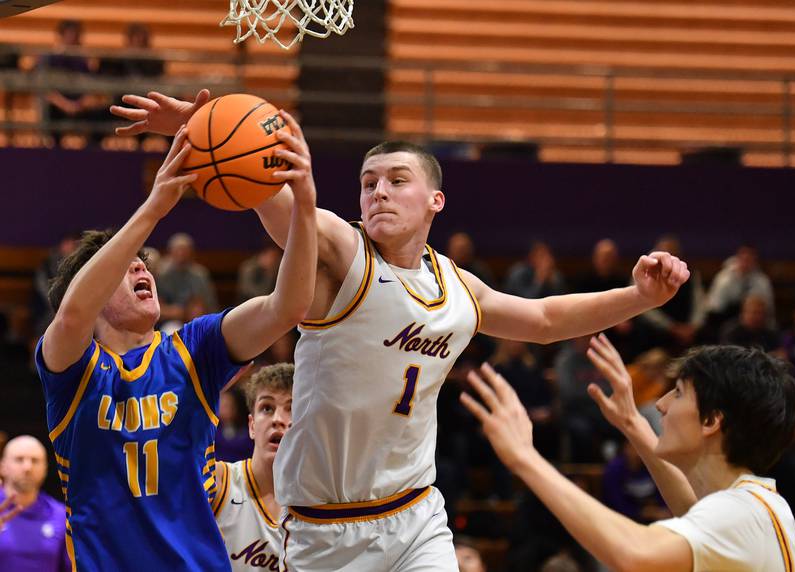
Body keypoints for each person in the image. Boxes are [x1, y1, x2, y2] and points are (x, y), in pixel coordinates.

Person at [110, 90, 690, 571]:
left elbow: (542, 321)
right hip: (323, 529)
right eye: (368, 182)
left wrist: (640, 296)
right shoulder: (345, 251)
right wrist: (198, 125)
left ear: (435, 199)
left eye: (395, 179)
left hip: (416, 514)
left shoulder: (459, 286)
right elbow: (273, 193)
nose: (378, 191)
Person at [34, 122, 317, 571]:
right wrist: (153, 207)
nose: (142, 270)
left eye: (142, 264)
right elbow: (71, 315)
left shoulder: (192, 347)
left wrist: (304, 207)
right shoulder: (72, 369)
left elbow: (288, 307)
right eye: (124, 269)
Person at [462, 334, 795, 571]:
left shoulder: (739, 515)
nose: (662, 405)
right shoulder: (757, 505)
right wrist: (632, 422)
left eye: (678, 393)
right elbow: (691, 506)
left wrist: (524, 457)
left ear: (712, 420)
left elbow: (634, 553)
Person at [213, 363, 293, 571]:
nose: (277, 419)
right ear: (252, 426)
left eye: (292, 409)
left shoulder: (322, 498)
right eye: (267, 408)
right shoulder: (220, 482)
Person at [0, 435, 70, 572]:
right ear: (2, 467)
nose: (27, 467)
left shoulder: (60, 515)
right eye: (19, 460)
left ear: (45, 469)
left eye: (35, 461)